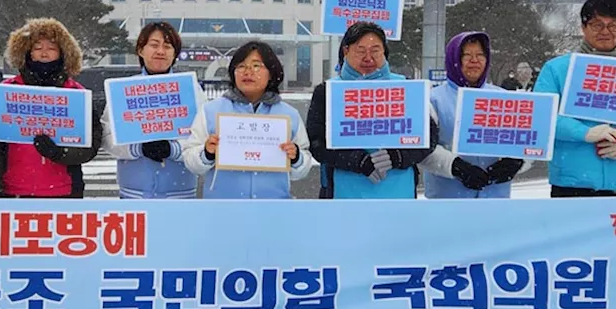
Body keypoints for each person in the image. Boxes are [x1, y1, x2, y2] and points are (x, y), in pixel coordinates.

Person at [534, 0, 616, 197]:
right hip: (571, 181)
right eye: (597, 25)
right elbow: (541, 116)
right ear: (583, 27)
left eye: (613, 25)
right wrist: (584, 133)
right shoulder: (557, 69)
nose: (605, 32)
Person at [305, 22, 434, 199]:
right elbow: (316, 142)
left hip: (398, 191)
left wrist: (396, 156)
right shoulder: (327, 91)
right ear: (346, 51)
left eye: (375, 50)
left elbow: (429, 136)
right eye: (360, 51)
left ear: (384, 52)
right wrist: (358, 161)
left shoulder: (405, 86)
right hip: (343, 192)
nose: (368, 57)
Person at [0, 18, 102, 198]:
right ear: (26, 52)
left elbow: (91, 143)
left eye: (52, 48)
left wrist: (60, 153)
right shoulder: (7, 91)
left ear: (63, 53)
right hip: (12, 191)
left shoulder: (76, 94)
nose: (44, 54)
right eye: (37, 48)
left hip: (64, 192)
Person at [182, 41, 313, 198]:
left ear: (271, 72)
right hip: (222, 208)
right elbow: (190, 160)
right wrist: (207, 153)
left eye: (256, 66)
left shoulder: (288, 115)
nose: (248, 72)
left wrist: (296, 157)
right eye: (241, 66)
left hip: (273, 208)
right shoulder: (211, 111)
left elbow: (303, 167)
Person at [421, 31, 529, 199]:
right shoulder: (433, 99)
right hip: (447, 200)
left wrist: (517, 162)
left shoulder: (503, 97)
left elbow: (526, 140)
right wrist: (456, 167)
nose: (474, 61)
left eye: (480, 55)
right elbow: (423, 150)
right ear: (454, 59)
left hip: (495, 200)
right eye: (467, 55)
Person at [101, 22, 201, 199]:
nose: (160, 51)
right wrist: (138, 148)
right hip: (134, 195)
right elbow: (108, 136)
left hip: (181, 195)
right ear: (141, 50)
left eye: (167, 46)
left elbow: (203, 137)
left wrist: (173, 149)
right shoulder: (124, 90)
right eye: (154, 45)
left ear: (174, 53)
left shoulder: (191, 89)